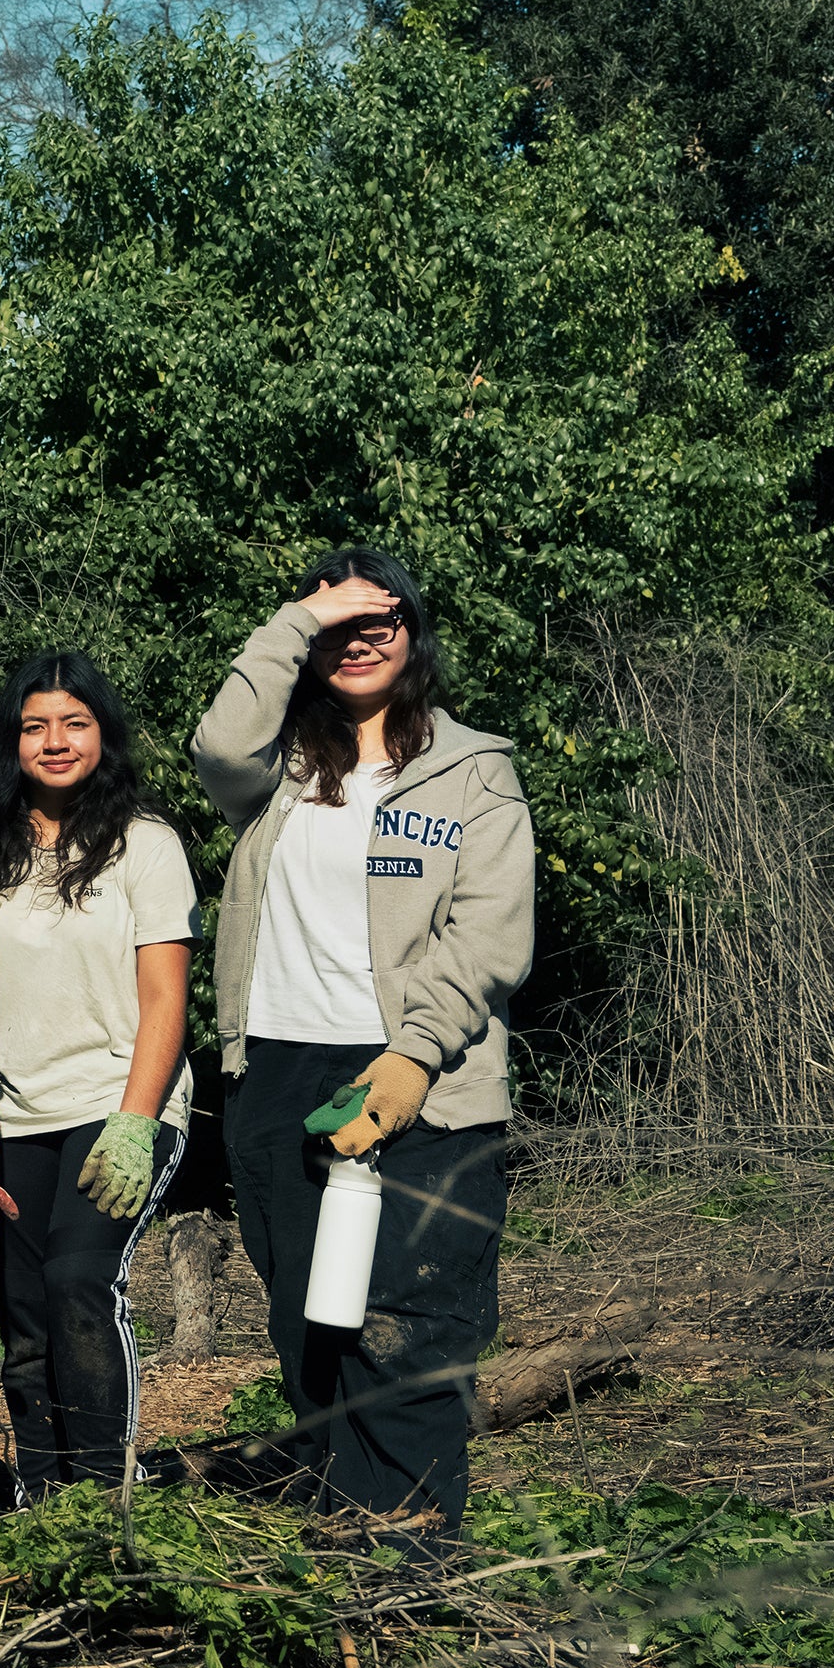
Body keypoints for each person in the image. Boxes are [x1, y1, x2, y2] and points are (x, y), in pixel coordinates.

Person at [196, 550, 531, 1539]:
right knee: (312, 1326)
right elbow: (216, 742)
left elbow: (491, 932)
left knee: (414, 1330)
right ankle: (350, 1533)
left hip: (421, 1076)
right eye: (334, 625)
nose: (358, 638)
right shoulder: (276, 775)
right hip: (280, 1076)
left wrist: (413, 1055)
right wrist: (299, 614)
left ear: (414, 633)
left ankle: (413, 1564)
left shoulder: (472, 769)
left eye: (379, 617)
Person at [0, 654, 196, 1503]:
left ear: (103, 734)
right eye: (35, 725)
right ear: (14, 740)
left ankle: (110, 1493)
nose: (55, 740)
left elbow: (166, 994)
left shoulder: (145, 842)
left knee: (79, 1278)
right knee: (22, 1311)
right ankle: (47, 1500)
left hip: (119, 1104)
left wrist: (137, 1118)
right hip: (15, 1112)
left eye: (74, 722)